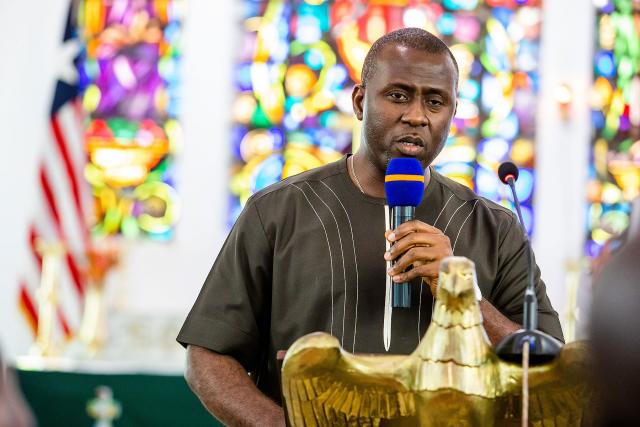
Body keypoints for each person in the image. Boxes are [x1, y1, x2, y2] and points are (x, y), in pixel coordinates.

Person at [178, 27, 563, 426]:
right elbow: (208, 353)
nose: (416, 116)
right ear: (360, 101)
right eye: (398, 96)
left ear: (452, 112)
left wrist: (463, 295)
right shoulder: (278, 211)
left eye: (435, 101)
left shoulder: (494, 228)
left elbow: (547, 367)